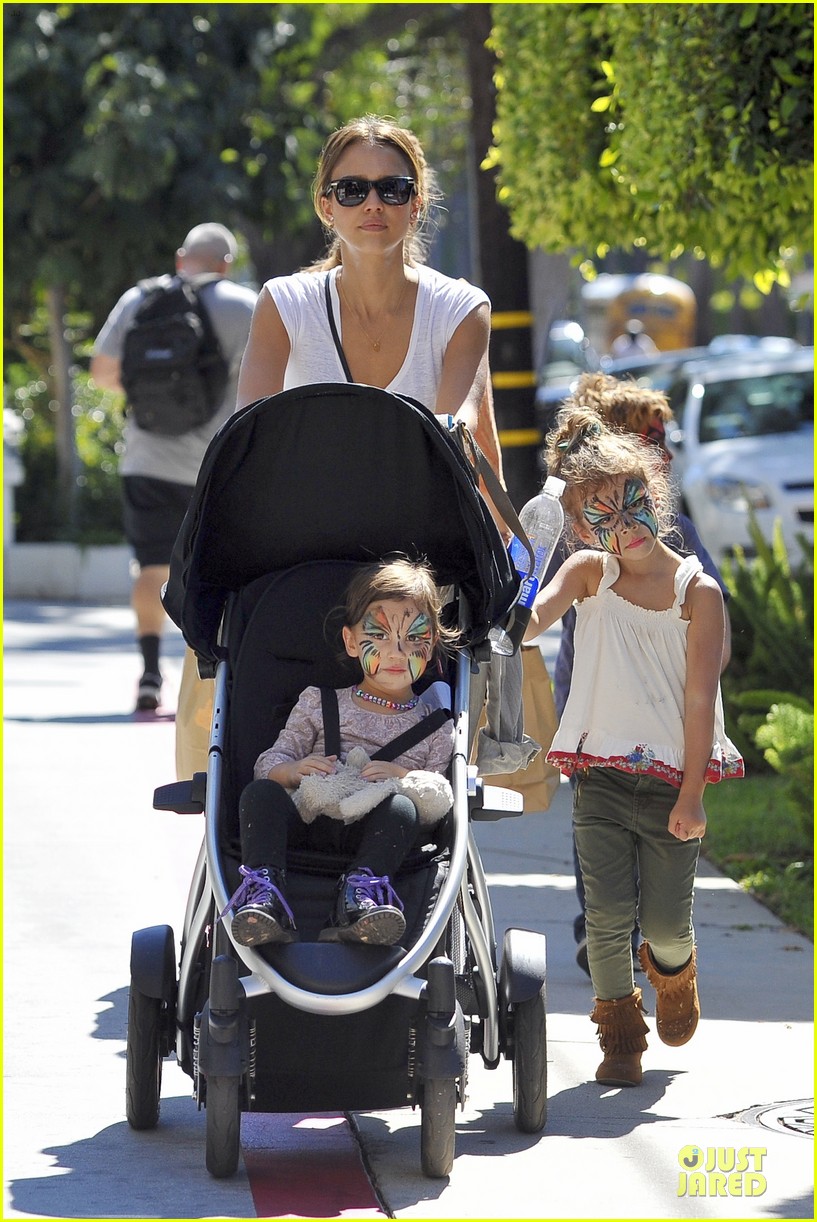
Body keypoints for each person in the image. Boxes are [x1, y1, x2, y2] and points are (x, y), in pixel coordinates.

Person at [523, 403, 743, 1087]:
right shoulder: (590, 573)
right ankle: (619, 1033)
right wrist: (516, 585)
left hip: (673, 781)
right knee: (607, 917)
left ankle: (675, 976)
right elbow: (530, 622)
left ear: (654, 494)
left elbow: (698, 698)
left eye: (630, 505)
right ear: (582, 528)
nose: (620, 526)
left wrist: (692, 797)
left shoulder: (695, 592)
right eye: (599, 517)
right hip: (600, 778)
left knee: (665, 926)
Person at [223, 558, 457, 948]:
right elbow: (268, 764)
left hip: (380, 838)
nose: (397, 652)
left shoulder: (437, 727)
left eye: (413, 638)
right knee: (259, 793)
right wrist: (294, 770)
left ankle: (360, 897)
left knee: (403, 807)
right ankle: (265, 893)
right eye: (379, 636)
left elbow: (437, 801)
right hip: (308, 821)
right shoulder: (319, 703)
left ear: (431, 644)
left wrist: (400, 779)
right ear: (351, 641)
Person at [90, 223, 257, 712]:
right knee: (218, 575)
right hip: (215, 464)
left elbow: (102, 370)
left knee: (150, 568)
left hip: (146, 458)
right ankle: (211, 682)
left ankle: (147, 673)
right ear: (225, 262)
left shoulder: (141, 299)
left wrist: (153, 400)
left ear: (182, 257)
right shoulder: (246, 306)